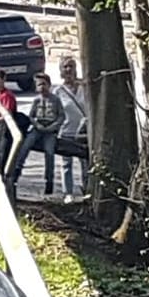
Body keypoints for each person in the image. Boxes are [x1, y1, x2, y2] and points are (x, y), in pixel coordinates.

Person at [10, 72, 65, 195]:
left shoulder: (55, 100)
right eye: (39, 85)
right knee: (25, 146)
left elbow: (61, 116)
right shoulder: (36, 100)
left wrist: (54, 126)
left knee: (49, 152)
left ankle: (49, 181)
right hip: (37, 127)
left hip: (50, 129)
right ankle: (16, 173)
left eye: (44, 84)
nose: (42, 87)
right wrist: (36, 124)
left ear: (49, 85)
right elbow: (31, 115)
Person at [55, 56, 89, 202]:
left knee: (86, 163)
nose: (68, 70)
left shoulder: (84, 87)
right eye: (65, 67)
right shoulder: (58, 91)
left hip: (84, 132)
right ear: (61, 71)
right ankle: (67, 193)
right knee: (66, 164)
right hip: (66, 131)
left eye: (71, 66)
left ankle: (87, 190)